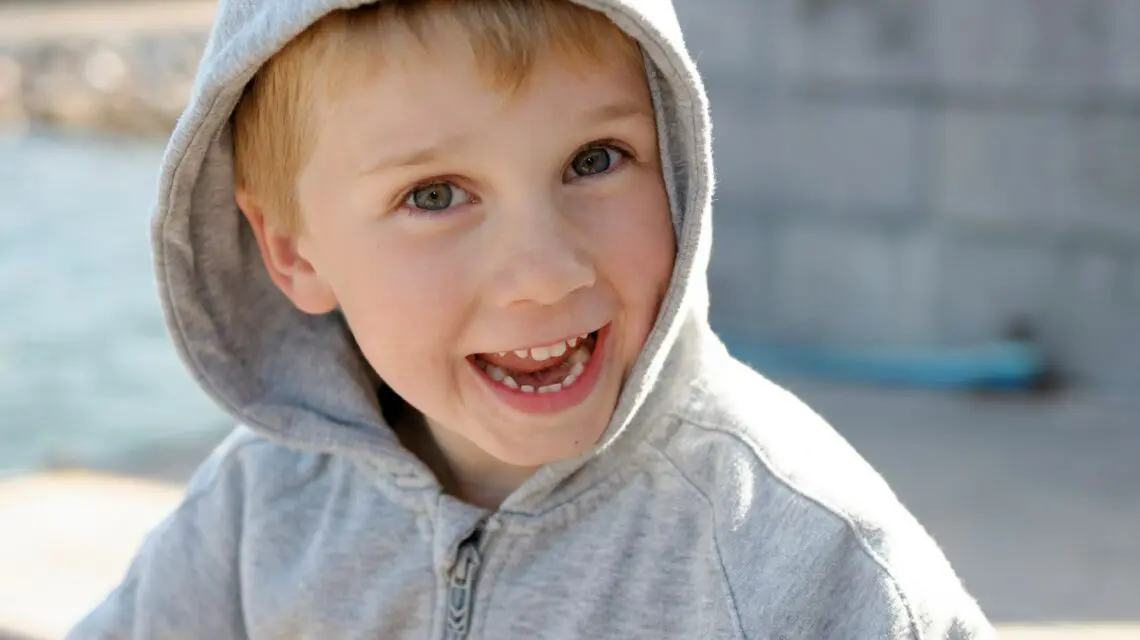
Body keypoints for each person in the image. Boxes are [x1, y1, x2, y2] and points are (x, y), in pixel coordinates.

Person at [68, 0, 994, 637]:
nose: (545, 275)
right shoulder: (259, 515)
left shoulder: (802, 556)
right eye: (436, 194)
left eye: (596, 159)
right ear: (295, 252)